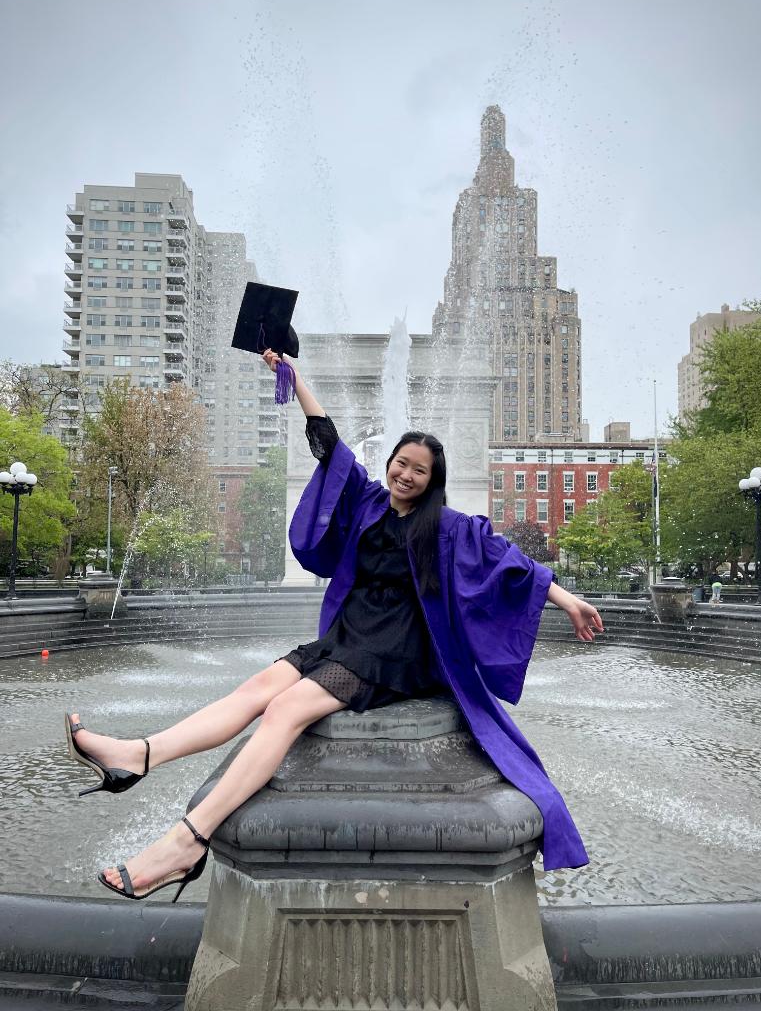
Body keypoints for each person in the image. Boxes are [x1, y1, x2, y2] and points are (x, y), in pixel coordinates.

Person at [65, 351, 603, 900]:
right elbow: (329, 444)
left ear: (433, 479)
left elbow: (511, 563)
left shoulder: (447, 526)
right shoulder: (370, 502)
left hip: (393, 653)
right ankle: (138, 755)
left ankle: (188, 840)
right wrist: (297, 381)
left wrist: (568, 599)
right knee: (257, 687)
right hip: (347, 638)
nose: (407, 475)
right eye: (402, 462)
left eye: (420, 470)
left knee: (287, 710)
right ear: (390, 461)